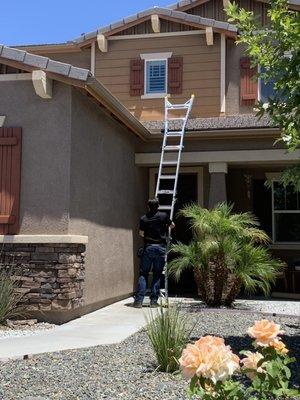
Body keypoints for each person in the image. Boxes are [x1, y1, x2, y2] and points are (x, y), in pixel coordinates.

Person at [133, 198, 175, 308]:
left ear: (148, 206)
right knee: (157, 274)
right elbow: (173, 225)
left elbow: (141, 233)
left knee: (143, 274)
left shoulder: (143, 218)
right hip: (160, 248)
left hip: (148, 248)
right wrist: (165, 227)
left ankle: (138, 301)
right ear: (158, 206)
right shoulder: (164, 216)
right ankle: (153, 302)